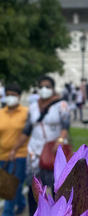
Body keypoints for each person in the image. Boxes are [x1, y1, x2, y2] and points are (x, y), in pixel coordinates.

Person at [9, 75, 70, 216]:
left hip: (53, 151)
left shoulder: (61, 105)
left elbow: (65, 126)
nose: (44, 89)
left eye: (47, 86)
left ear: (53, 88)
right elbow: (27, 130)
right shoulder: (33, 108)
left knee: (58, 186)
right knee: (34, 187)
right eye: (41, 86)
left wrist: (60, 141)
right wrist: (15, 148)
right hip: (34, 152)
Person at [0, 84, 28, 216]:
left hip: (19, 155)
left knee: (11, 187)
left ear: (19, 96)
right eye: (8, 95)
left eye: (13, 95)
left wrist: (15, 150)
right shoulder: (1, 113)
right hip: (2, 155)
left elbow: (28, 133)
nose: (10, 98)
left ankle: (7, 213)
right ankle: (22, 203)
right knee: (7, 184)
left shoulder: (26, 113)